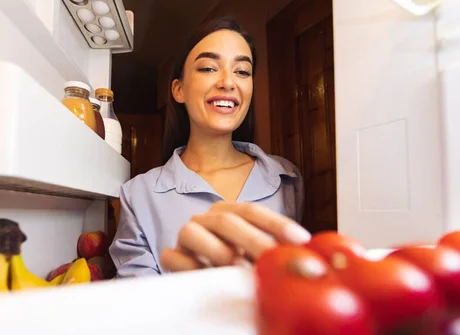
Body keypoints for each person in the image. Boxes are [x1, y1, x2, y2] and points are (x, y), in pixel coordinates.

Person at [109, 17, 310, 277]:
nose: (228, 82)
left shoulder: (288, 179)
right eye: (208, 68)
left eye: (242, 71)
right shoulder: (138, 195)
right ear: (178, 90)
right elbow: (140, 305)